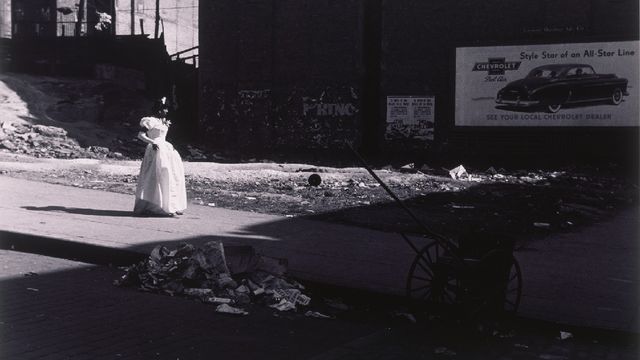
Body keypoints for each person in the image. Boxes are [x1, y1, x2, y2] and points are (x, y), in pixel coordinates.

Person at [133, 98, 187, 216]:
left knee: (172, 174)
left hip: (165, 148)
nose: (166, 111)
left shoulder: (162, 121)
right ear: (159, 110)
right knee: (158, 174)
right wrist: (152, 142)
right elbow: (140, 135)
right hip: (156, 148)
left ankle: (171, 205)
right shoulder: (150, 120)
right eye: (164, 109)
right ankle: (156, 206)